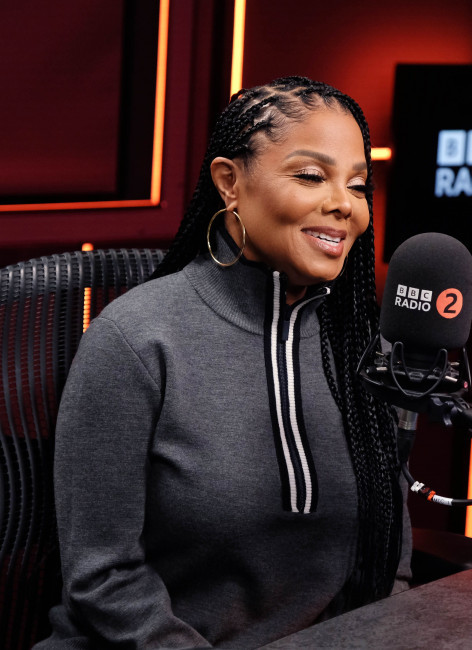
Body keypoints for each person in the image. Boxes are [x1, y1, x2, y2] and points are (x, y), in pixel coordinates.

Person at [35, 76, 412, 649]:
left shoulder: (365, 349)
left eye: (358, 185)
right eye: (311, 176)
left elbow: (389, 556)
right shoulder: (135, 340)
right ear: (229, 183)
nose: (343, 203)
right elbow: (102, 578)